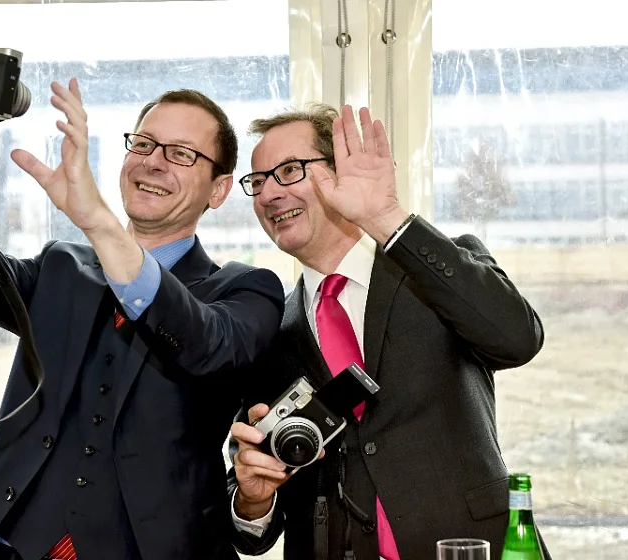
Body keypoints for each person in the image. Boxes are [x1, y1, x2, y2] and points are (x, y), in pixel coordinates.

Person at [0, 39, 286, 560]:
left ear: (219, 189)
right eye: (143, 144)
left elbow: (203, 342)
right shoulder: (62, 268)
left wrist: (98, 222)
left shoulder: (246, 291)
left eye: (181, 154)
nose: (154, 163)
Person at [226, 103, 551, 560]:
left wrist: (385, 219)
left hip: (467, 548)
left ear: (342, 175)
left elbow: (519, 339)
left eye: (289, 171)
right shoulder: (269, 328)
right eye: (257, 182)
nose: (268, 194)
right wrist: (254, 498)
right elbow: (251, 533)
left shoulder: (435, 270)